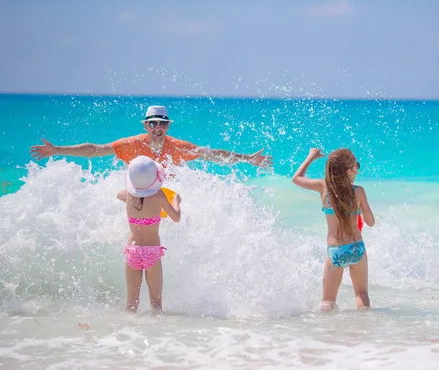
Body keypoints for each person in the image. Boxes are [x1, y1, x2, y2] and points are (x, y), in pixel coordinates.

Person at [30, 105, 273, 168]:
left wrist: (246, 158)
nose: (157, 126)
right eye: (153, 123)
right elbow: (96, 149)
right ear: (146, 125)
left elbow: (211, 155)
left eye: (162, 123)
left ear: (167, 126)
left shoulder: (179, 146)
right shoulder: (131, 144)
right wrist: (57, 149)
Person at [292, 148, 375, 311]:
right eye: (357, 166)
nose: (358, 170)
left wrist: (310, 157)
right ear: (349, 170)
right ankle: (365, 330)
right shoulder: (358, 191)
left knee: (328, 301)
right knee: (362, 294)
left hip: (336, 250)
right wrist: (360, 212)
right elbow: (371, 222)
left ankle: (327, 334)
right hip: (357, 248)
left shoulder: (323, 187)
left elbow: (296, 179)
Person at [117, 155, 181, 314]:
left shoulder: (127, 195)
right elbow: (176, 217)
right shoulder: (159, 196)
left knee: (131, 303)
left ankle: (129, 332)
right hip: (152, 252)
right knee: (156, 302)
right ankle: (157, 335)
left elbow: (119, 194)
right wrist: (176, 202)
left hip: (132, 251)